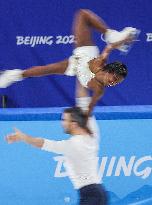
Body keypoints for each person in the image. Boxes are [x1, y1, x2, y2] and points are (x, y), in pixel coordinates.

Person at [0, 9, 138, 115]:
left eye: (117, 82)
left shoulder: (99, 90)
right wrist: (121, 39)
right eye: (114, 78)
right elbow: (109, 47)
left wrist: (85, 118)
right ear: (109, 70)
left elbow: (90, 107)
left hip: (75, 68)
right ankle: (10, 77)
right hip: (85, 53)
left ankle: (12, 76)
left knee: (46, 69)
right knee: (82, 14)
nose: (113, 83)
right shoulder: (101, 62)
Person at [5, 80, 108, 205]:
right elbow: (83, 100)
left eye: (65, 120)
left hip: (91, 195)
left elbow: (43, 143)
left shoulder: (73, 145)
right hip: (98, 192)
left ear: (74, 124)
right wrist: (81, 76)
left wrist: (23, 137)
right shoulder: (92, 131)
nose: (62, 123)